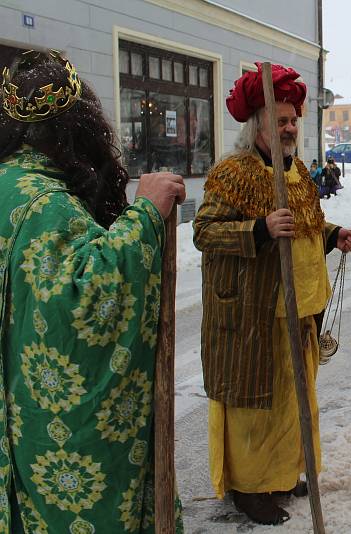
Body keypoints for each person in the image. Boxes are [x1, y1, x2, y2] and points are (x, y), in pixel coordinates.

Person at [0, 49, 186, 532]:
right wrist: (145, 214)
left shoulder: (7, 184)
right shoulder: (47, 205)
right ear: (79, 126)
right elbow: (89, 301)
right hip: (46, 435)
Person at [193, 62, 351, 526]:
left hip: (300, 312)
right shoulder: (233, 173)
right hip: (252, 317)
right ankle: (250, 489)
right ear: (257, 125)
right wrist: (261, 229)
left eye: (293, 120)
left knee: (293, 402)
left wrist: (332, 233)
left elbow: (304, 228)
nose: (289, 128)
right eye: (279, 121)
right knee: (255, 408)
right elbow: (205, 232)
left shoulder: (298, 171)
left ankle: (284, 473)